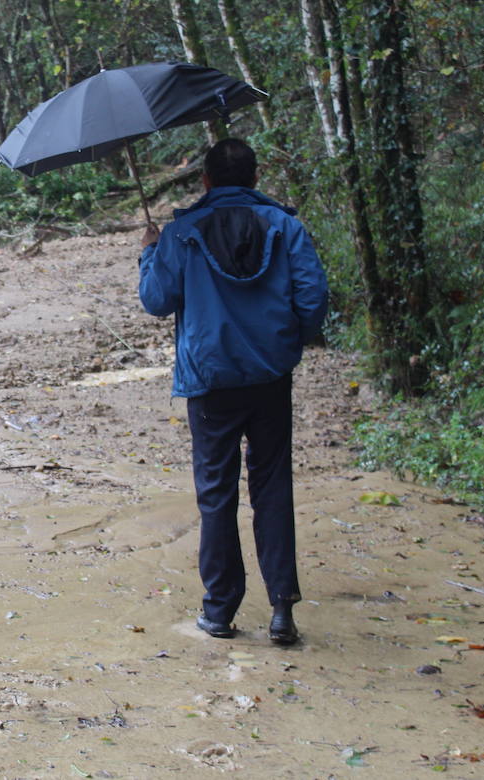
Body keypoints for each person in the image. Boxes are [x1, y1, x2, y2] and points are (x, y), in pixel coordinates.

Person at [137, 138, 328, 645]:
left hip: (210, 381)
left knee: (217, 496)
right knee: (272, 488)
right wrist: (289, 340)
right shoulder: (286, 227)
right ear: (255, 177)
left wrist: (150, 252)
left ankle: (219, 611)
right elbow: (313, 295)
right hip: (269, 376)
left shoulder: (182, 233)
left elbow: (156, 301)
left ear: (205, 181)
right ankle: (282, 609)